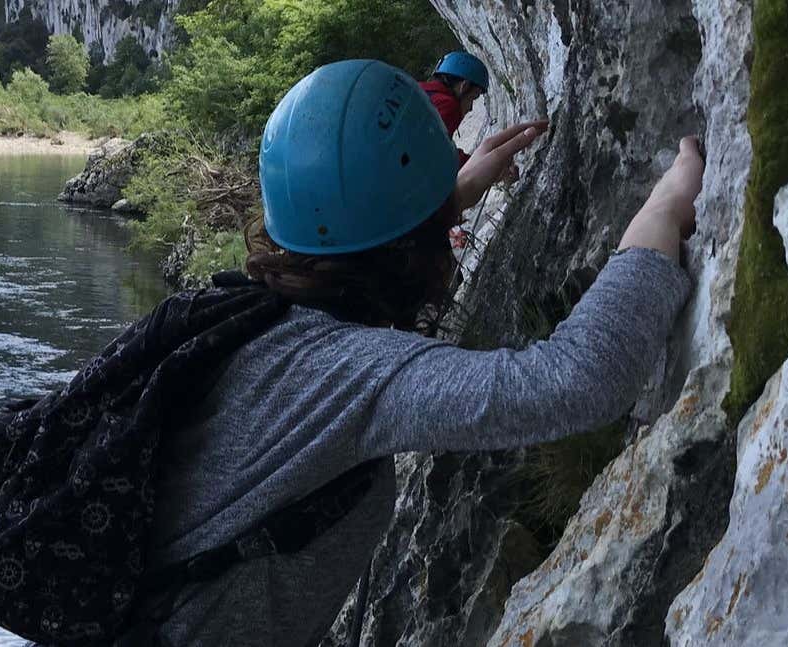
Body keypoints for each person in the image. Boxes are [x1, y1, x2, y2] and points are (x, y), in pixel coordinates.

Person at [117, 59, 703, 645]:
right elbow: (575, 381)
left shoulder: (242, 317)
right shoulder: (348, 373)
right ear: (416, 247)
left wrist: (454, 193)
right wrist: (662, 211)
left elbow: (362, 239)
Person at [419, 50, 491, 165]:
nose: (471, 108)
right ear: (464, 86)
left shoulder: (420, 89)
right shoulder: (448, 105)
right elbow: (442, 156)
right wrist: (491, 167)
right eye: (473, 97)